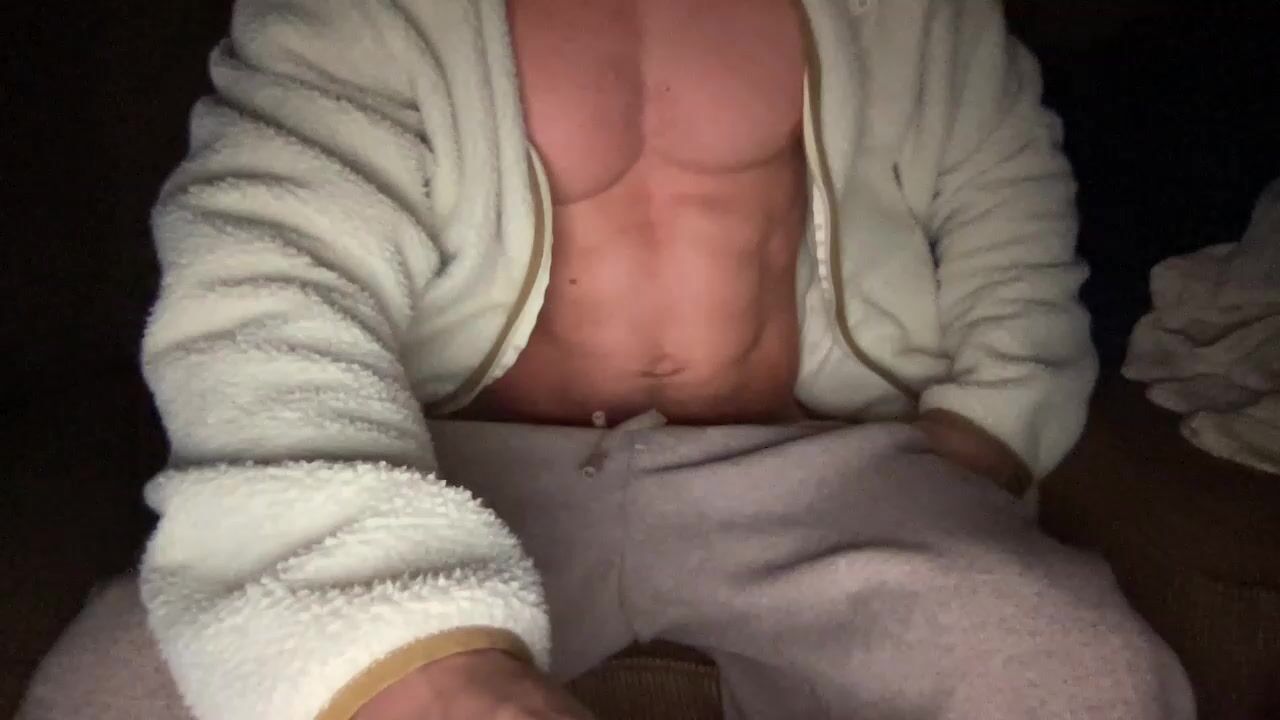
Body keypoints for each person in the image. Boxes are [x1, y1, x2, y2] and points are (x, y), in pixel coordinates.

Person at [19, 1, 1196, 719]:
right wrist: (404, 666)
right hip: (460, 475)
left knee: (1082, 670)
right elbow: (270, 267)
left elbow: (1005, 189)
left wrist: (990, 430)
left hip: (813, 465)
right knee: (113, 690)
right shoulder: (361, 12)